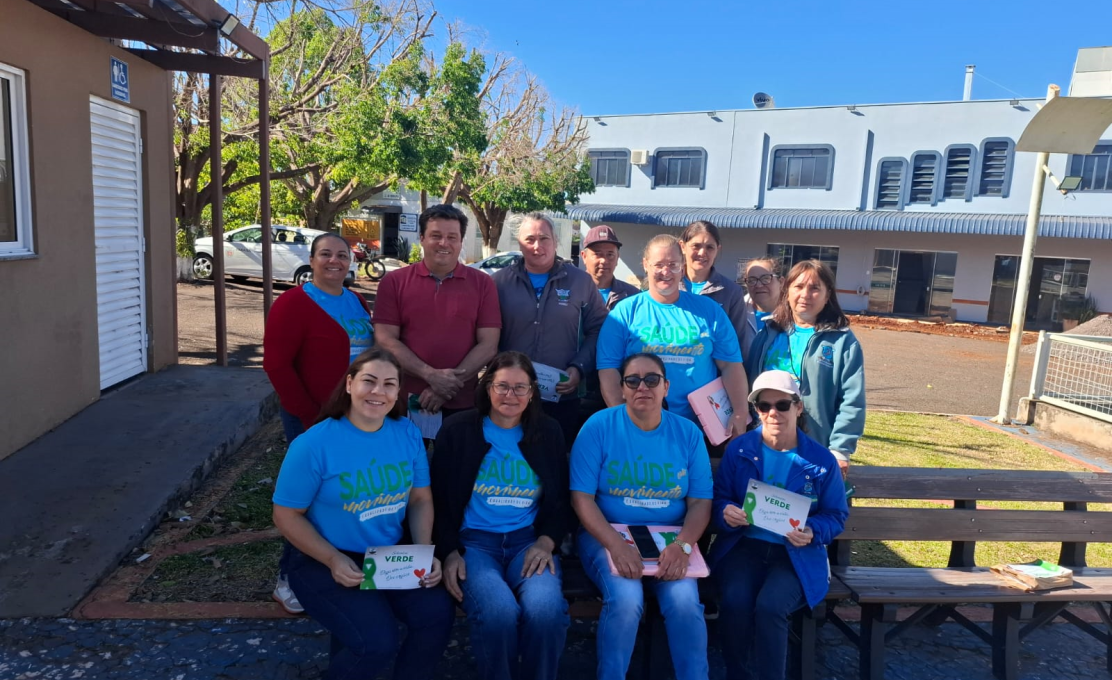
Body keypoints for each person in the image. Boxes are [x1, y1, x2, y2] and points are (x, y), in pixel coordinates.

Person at [271, 349, 455, 680]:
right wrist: (332, 559)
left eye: (389, 384)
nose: (378, 392)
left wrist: (424, 552)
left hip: (388, 556)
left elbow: (420, 500)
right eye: (369, 381)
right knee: (375, 642)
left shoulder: (406, 432)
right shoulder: (313, 444)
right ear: (350, 383)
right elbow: (286, 515)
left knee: (437, 615)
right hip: (324, 561)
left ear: (398, 391)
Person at [431, 351, 574, 680]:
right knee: (498, 613)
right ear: (487, 387)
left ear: (533, 392)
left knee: (545, 611)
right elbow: (436, 499)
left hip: (528, 543)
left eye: (520, 388)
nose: (511, 395)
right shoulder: (458, 430)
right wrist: (449, 550)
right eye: (502, 386)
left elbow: (561, 500)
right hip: (474, 546)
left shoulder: (547, 432)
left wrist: (547, 540)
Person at [570, 353, 713, 680]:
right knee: (625, 597)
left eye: (652, 380)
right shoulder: (599, 427)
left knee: (685, 603)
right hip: (607, 533)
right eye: (632, 380)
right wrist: (616, 546)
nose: (642, 387)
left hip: (670, 538)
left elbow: (700, 503)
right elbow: (582, 498)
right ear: (622, 388)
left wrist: (683, 545)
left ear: (666, 387)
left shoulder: (687, 433)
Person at [709, 370, 849, 680]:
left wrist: (813, 531)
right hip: (744, 546)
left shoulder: (820, 460)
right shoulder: (740, 449)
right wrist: (726, 512)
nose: (773, 413)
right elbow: (718, 500)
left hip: (794, 554)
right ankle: (737, 674)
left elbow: (836, 515)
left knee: (771, 606)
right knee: (734, 601)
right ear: (756, 411)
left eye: (782, 405)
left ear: (799, 408)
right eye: (763, 406)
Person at [263, 232, 373, 614]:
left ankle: (333, 566)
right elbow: (276, 365)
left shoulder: (356, 300)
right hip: (311, 418)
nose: (334, 261)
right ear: (311, 260)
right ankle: (287, 579)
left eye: (342, 255)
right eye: (325, 254)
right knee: (305, 501)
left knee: (341, 497)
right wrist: (310, 418)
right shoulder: (293, 303)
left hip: (355, 419)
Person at [596, 234, 748, 439]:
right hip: (641, 425)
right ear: (645, 265)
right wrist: (627, 418)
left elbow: (730, 365)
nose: (665, 272)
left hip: (701, 427)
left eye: (673, 264)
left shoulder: (709, 311)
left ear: (682, 266)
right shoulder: (624, 313)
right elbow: (608, 369)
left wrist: (739, 412)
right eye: (658, 264)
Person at [374, 204, 501, 426]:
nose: (444, 243)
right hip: (403, 400)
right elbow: (385, 340)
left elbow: (489, 344)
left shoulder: (483, 284)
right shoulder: (393, 282)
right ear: (421, 238)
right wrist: (430, 375)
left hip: (462, 402)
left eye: (452, 237)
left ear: (461, 241)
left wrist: (446, 387)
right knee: (407, 461)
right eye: (436, 236)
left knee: (455, 461)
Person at [493, 213, 608, 448]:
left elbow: (599, 329)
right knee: (509, 461)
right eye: (530, 239)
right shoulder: (498, 283)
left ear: (555, 241)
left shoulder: (580, 282)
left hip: (561, 395)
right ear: (519, 243)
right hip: (509, 395)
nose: (537, 246)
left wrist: (579, 368)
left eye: (544, 238)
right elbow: (486, 334)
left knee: (554, 463)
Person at [744, 260, 865, 474]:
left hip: (816, 449)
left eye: (815, 288)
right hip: (764, 446)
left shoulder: (842, 341)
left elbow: (852, 400)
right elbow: (748, 386)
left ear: (828, 295)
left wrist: (840, 450)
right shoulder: (767, 335)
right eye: (798, 287)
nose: (805, 294)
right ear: (787, 291)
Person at [578, 224, 641, 426]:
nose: (604, 260)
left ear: (618, 258)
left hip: (618, 384)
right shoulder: (570, 291)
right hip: (576, 385)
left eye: (610, 254)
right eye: (597, 254)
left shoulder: (633, 297)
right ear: (583, 256)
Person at [678, 220, 751, 357]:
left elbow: (739, 342)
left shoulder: (731, 292)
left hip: (713, 375)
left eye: (710, 247)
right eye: (696, 246)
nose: (702, 252)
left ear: (718, 249)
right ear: (682, 246)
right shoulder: (670, 285)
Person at [739, 257, 784, 358]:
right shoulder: (736, 312)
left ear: (781, 282)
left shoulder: (795, 315)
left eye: (766, 278)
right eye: (752, 280)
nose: (759, 285)